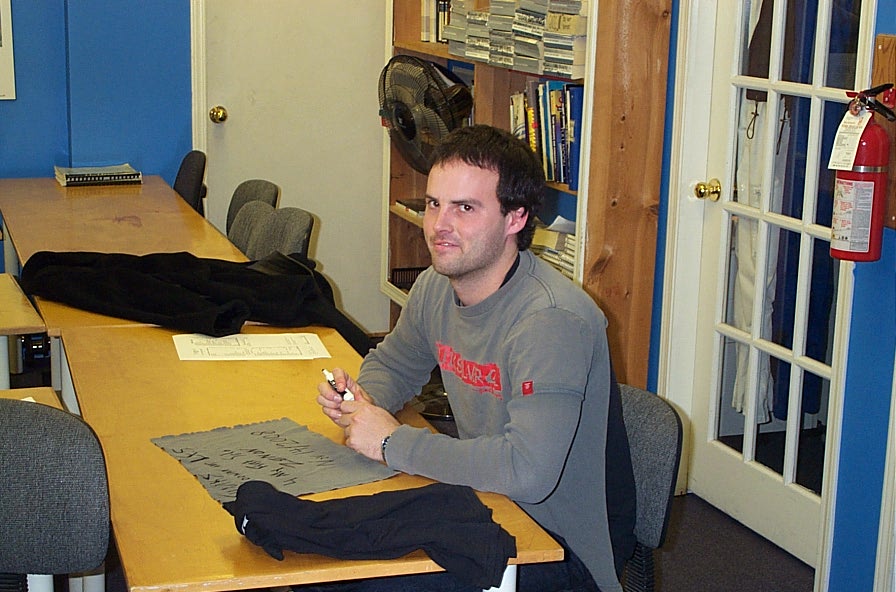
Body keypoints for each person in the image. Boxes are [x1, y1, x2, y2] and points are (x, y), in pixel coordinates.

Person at [312, 124, 636, 592]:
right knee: (320, 556)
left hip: (555, 549)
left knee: (348, 581)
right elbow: (395, 363)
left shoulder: (551, 321)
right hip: (485, 501)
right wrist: (361, 399)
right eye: (433, 204)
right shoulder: (435, 286)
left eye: (465, 208)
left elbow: (527, 471)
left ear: (515, 219)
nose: (440, 225)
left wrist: (391, 442)